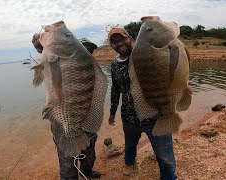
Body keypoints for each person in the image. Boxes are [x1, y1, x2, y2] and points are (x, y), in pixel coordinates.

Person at [107, 27, 177, 179]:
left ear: (130, 38)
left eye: (122, 39)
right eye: (115, 42)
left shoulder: (145, 55)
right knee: (130, 146)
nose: (119, 43)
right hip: (128, 118)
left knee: (165, 156)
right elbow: (115, 89)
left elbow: (167, 59)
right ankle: (129, 162)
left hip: (156, 116)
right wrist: (112, 112)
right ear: (111, 46)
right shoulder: (114, 65)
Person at [32, 34, 101, 179]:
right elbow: (51, 57)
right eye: (83, 49)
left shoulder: (93, 68)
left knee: (89, 156)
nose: (87, 53)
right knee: (68, 165)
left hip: (87, 122)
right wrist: (41, 46)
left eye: (89, 50)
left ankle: (88, 173)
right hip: (63, 124)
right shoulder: (61, 64)